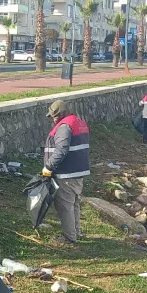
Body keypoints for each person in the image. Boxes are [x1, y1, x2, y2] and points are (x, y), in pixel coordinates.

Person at [41, 100, 90, 245]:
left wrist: (48, 167)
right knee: (73, 203)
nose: (51, 119)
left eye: (52, 116)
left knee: (65, 205)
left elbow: (61, 150)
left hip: (66, 173)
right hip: (77, 172)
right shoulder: (79, 123)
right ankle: (76, 231)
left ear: (59, 115)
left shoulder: (64, 127)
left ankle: (69, 238)